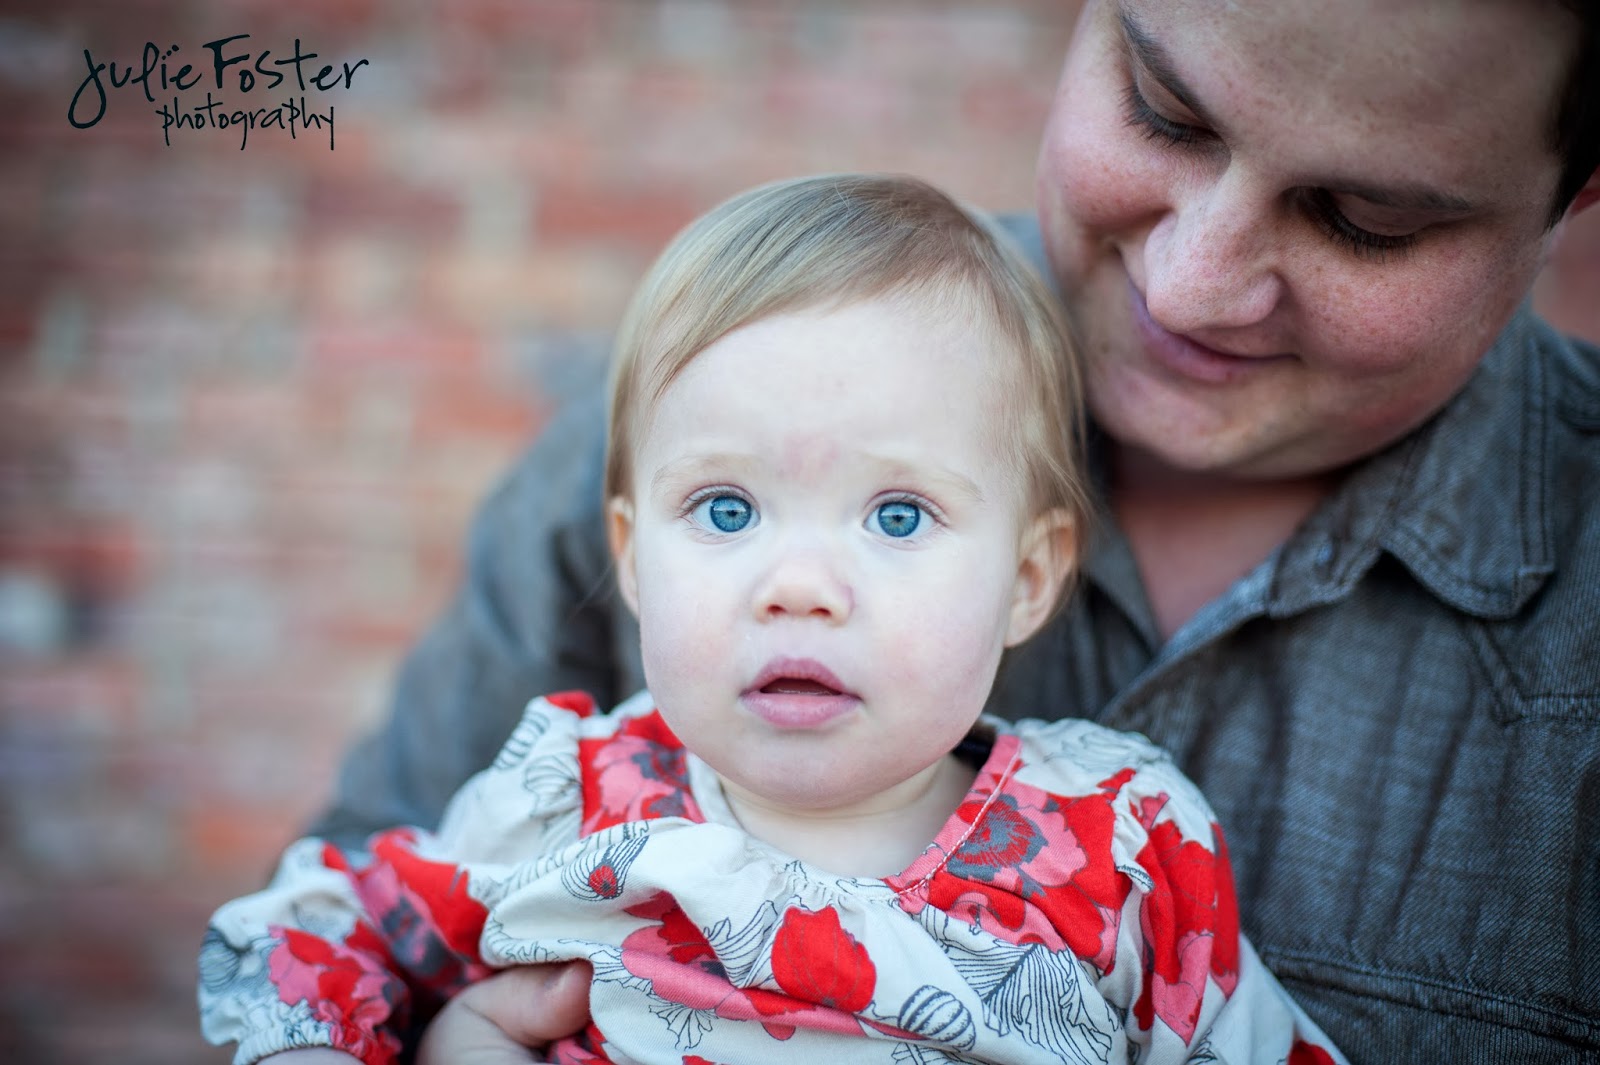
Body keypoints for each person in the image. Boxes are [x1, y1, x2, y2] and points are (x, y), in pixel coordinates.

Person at [265, 0, 1600, 1059]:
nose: (1192, 283)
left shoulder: (1130, 855)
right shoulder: (575, 778)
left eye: (1368, 222)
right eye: (1164, 111)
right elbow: (317, 940)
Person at [197, 174, 1345, 1064]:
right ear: (632, 559)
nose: (798, 585)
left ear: (1027, 578)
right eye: (726, 509)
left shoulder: (1121, 851)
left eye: (897, 516)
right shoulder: (566, 805)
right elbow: (318, 921)